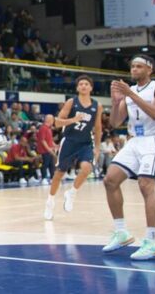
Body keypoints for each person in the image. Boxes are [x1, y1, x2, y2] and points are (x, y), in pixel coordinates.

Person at [102, 55, 155, 260]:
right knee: (110, 180)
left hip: (153, 140)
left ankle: (152, 241)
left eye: (138, 66)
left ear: (149, 69)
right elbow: (116, 123)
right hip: (133, 140)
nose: (134, 69)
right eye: (132, 66)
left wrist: (129, 95)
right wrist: (116, 101)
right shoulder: (130, 91)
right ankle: (121, 232)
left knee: (145, 185)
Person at [44, 76, 103, 221]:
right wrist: (73, 120)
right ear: (77, 88)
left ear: (91, 87)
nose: (83, 86)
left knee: (87, 168)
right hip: (69, 141)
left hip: (85, 143)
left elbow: (98, 127)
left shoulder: (97, 105)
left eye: (86, 84)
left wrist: (97, 147)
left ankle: (72, 192)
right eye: (81, 84)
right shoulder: (71, 102)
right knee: (59, 174)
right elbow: (57, 123)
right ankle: (50, 202)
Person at [36, 115, 57, 186]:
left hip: (50, 150)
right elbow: (43, 140)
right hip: (44, 150)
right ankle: (44, 178)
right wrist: (48, 149)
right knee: (45, 164)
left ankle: (52, 178)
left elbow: (50, 140)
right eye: (52, 120)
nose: (53, 121)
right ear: (49, 120)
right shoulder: (43, 128)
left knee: (52, 164)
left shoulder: (49, 129)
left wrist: (55, 145)